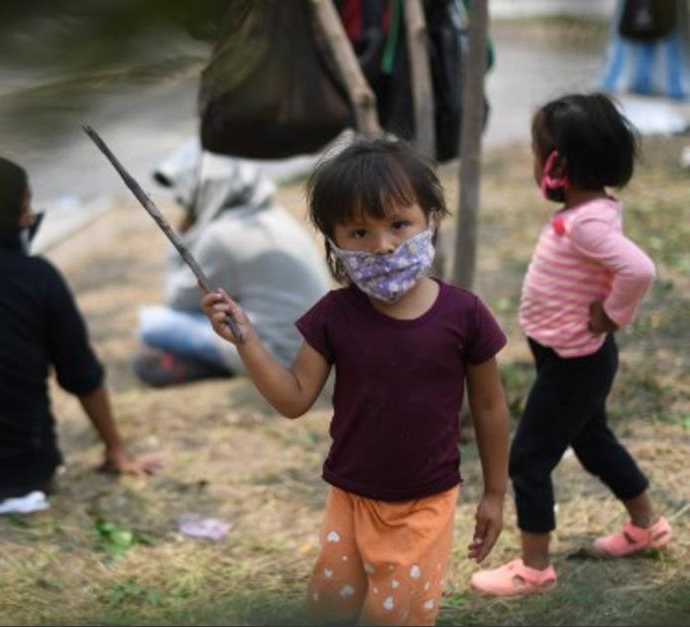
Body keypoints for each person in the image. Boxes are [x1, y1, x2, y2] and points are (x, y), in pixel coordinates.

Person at [201, 138, 510, 625]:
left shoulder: (464, 314)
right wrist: (247, 341)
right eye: (359, 232)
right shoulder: (333, 316)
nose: (383, 245)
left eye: (398, 224)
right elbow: (294, 397)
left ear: (431, 218)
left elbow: (491, 407)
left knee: (393, 617)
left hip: (425, 503)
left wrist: (495, 493)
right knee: (332, 609)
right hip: (349, 497)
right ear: (333, 241)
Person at [471, 93, 671, 596]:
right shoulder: (589, 212)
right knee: (593, 441)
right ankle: (647, 525)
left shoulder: (588, 223)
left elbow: (639, 268)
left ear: (557, 164)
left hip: (574, 363)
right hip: (569, 358)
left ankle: (534, 569)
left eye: (538, 152)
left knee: (528, 460)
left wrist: (613, 314)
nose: (533, 162)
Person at [0, 152, 159, 507]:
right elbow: (81, 374)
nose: (32, 217)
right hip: (24, 477)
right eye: (23, 206)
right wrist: (117, 449)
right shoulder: (38, 277)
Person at [133, 139, 331, 387]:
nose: (182, 202)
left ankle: (222, 364)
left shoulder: (222, 236)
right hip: (312, 347)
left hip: (278, 353)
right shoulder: (270, 215)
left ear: (201, 190)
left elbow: (177, 300)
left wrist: (182, 236)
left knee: (150, 325)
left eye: (185, 197)